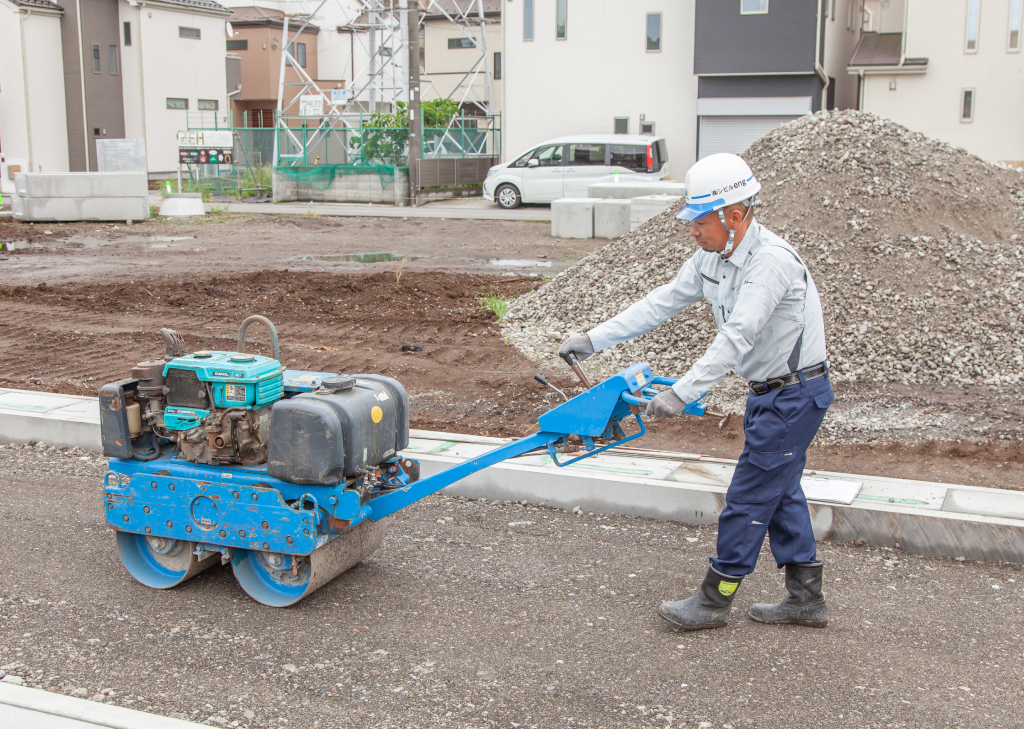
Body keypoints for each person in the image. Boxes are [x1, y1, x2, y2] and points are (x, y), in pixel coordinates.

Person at [559, 153, 833, 631]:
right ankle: (806, 597)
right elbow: (661, 302)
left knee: (749, 496)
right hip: (769, 393)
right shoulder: (714, 256)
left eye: (699, 220)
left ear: (733, 215)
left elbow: (737, 336)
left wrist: (682, 393)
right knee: (781, 489)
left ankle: (714, 599)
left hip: (795, 395)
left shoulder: (770, 263)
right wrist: (593, 339)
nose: (692, 230)